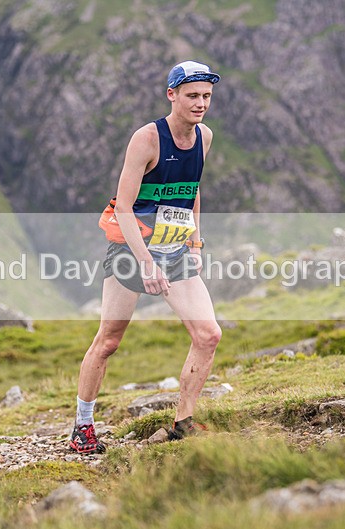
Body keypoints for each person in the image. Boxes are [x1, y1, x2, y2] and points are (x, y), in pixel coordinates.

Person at [69, 60, 223, 454]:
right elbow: (123, 206)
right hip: (131, 248)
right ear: (172, 94)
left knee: (208, 335)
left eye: (206, 96)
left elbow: (192, 190)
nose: (200, 103)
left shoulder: (204, 137)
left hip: (175, 247)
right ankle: (83, 427)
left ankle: (183, 425)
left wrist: (195, 244)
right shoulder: (148, 138)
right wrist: (146, 263)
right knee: (108, 341)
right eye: (192, 95)